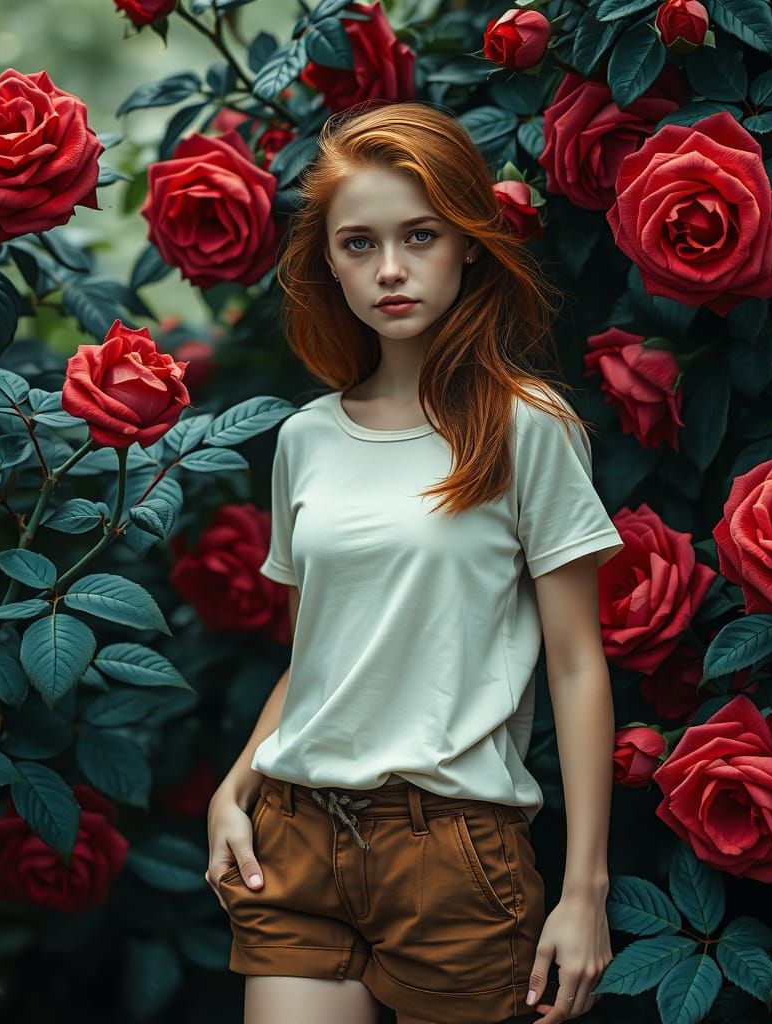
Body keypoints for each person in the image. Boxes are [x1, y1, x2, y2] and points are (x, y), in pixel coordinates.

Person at [205, 99, 624, 1024]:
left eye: (420, 235)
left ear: (469, 242)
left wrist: (583, 891)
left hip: (454, 852)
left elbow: (576, 662)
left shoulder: (527, 428)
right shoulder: (304, 439)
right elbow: (317, 663)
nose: (390, 270)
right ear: (330, 263)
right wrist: (233, 789)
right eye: (359, 244)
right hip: (296, 835)